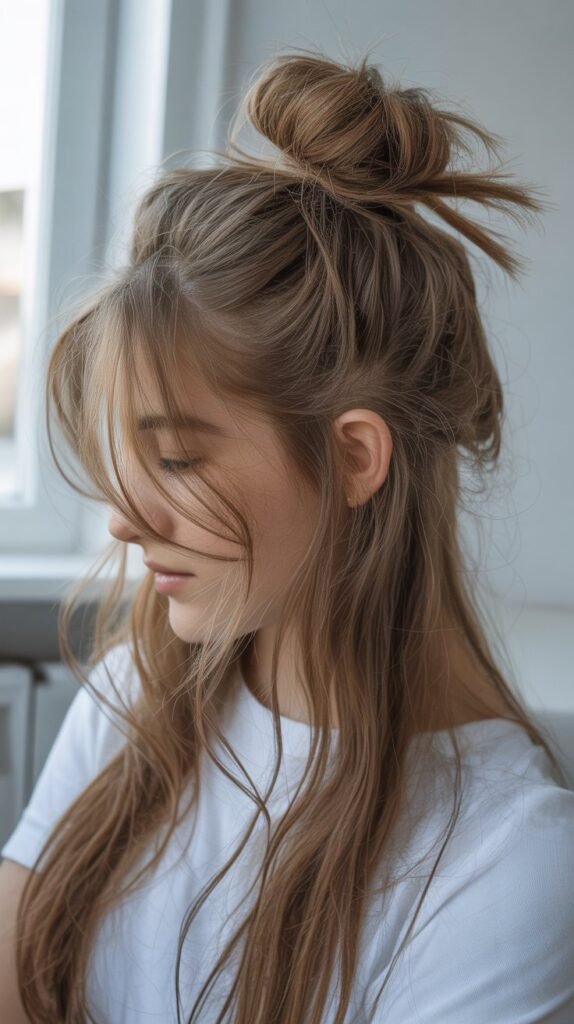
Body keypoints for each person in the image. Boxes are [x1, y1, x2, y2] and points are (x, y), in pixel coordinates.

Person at [1, 47, 573, 1024]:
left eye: (177, 459)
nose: (123, 519)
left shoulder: (506, 857)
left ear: (354, 458)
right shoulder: (138, 695)